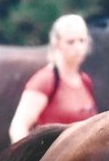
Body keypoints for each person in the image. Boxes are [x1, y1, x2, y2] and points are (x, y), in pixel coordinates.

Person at [8, 13, 98, 144]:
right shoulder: (45, 80)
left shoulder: (85, 81)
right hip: (53, 159)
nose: (78, 48)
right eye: (70, 42)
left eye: (82, 41)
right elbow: (18, 127)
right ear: (57, 44)